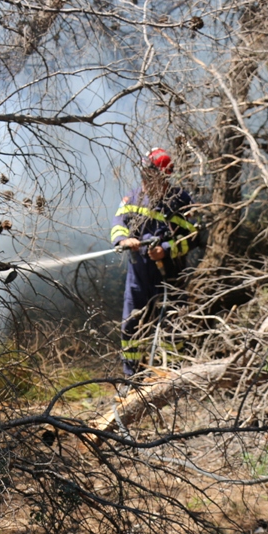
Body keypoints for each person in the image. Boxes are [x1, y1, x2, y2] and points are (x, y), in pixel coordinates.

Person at [110, 147, 202, 380]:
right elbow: (118, 221)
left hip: (170, 274)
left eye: (150, 176)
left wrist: (167, 250)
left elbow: (194, 236)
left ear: (163, 177)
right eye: (143, 176)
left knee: (172, 327)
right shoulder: (133, 197)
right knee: (131, 326)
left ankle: (173, 377)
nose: (145, 181)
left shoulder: (181, 200)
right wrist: (123, 239)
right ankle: (131, 378)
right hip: (138, 274)